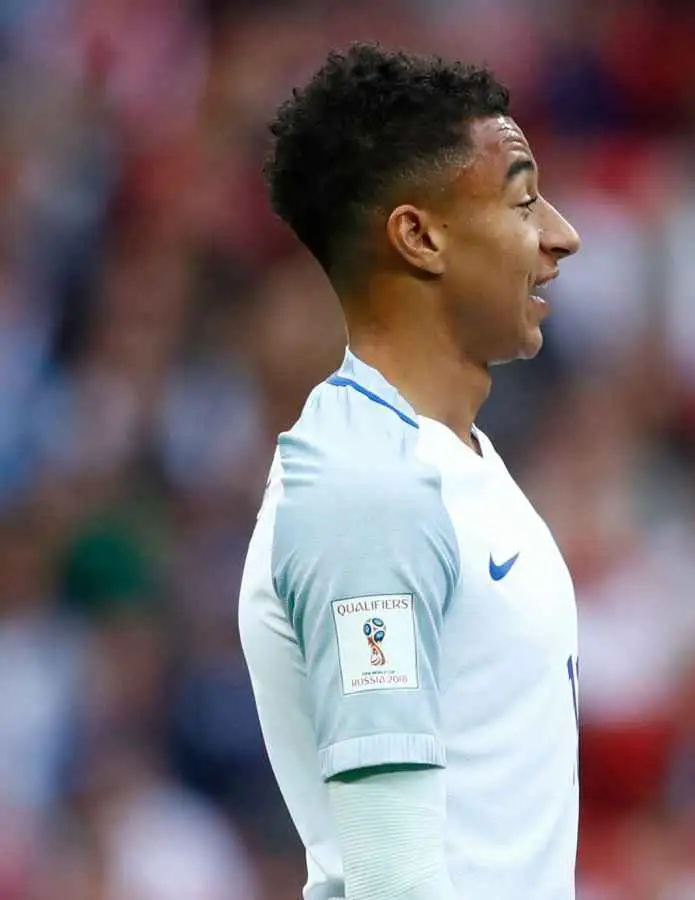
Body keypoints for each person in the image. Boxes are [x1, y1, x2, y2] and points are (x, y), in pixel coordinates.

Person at [237, 43, 582, 900]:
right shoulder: (369, 491)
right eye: (525, 200)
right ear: (419, 236)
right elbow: (393, 877)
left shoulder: (449, 458)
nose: (561, 235)